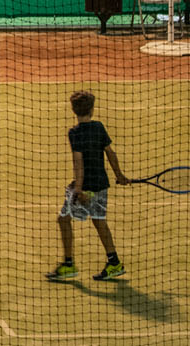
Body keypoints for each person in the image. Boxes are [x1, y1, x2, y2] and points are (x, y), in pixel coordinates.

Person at [47, 90, 130, 281]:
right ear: (92, 110)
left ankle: (68, 264)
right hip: (101, 184)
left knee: (63, 220)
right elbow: (110, 152)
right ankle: (114, 262)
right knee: (99, 220)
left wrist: (79, 188)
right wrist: (119, 175)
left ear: (73, 110)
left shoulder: (75, 133)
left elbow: (78, 161)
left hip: (86, 187)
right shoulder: (98, 127)